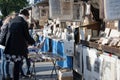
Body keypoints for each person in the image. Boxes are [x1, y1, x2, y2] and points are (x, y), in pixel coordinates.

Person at [3, 9, 35, 80]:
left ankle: (14, 77)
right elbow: (27, 36)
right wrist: (33, 42)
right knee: (17, 64)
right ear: (26, 15)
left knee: (15, 64)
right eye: (28, 16)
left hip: (10, 46)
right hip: (18, 47)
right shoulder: (23, 22)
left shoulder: (13, 20)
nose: (28, 18)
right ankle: (16, 78)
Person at [0, 13, 18, 80]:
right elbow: (9, 37)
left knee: (3, 60)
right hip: (5, 45)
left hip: (1, 44)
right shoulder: (9, 25)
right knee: (6, 61)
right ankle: (6, 76)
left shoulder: (4, 25)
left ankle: (3, 76)